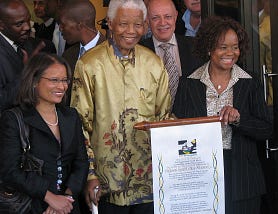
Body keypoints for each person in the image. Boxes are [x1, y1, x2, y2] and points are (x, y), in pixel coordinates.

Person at [70, 0, 171, 213]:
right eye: (124, 24)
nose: (131, 31)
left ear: (144, 26)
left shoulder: (154, 64)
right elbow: (79, 125)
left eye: (138, 25)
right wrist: (90, 174)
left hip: (148, 182)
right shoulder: (89, 64)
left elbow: (164, 117)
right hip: (106, 185)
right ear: (110, 23)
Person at [172, 16, 272, 214]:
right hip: (200, 176)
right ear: (209, 48)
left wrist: (239, 119)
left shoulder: (250, 82)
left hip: (243, 179)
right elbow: (177, 129)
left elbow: (266, 129)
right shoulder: (188, 82)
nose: (230, 53)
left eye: (235, 47)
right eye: (223, 47)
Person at [0, 52, 89, 213]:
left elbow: (81, 162)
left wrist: (66, 199)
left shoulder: (71, 116)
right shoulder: (14, 118)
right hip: (32, 206)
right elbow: (10, 170)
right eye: (54, 80)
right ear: (34, 81)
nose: (62, 86)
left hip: (68, 207)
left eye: (64, 80)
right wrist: (49, 197)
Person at [141, 0, 202, 107]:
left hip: (188, 120)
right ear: (147, 20)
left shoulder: (196, 47)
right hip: (152, 120)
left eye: (168, 16)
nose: (162, 23)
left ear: (176, 16)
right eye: (155, 18)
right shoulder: (138, 51)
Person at [0, 0, 54, 114]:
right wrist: (27, 71)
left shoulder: (39, 46)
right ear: (1, 25)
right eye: (19, 24)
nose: (27, 27)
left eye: (28, 20)